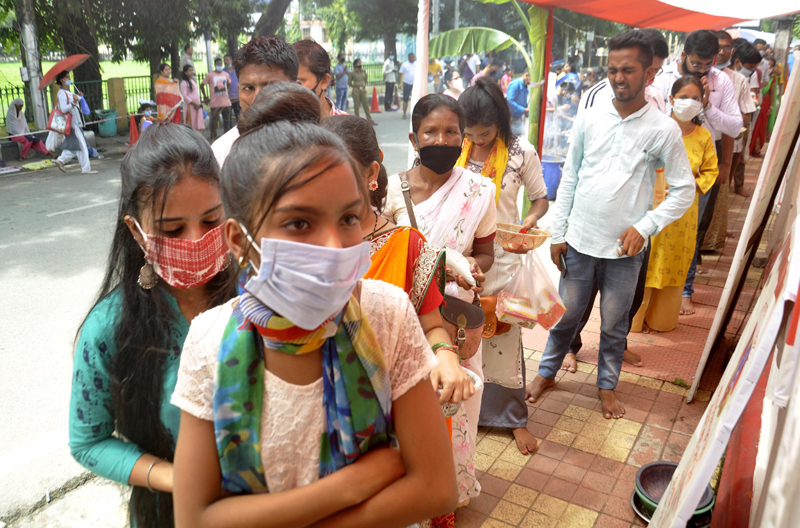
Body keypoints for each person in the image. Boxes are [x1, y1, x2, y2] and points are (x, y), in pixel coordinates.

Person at [170, 86, 457, 528]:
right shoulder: (210, 342)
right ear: (237, 240)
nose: (334, 246)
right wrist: (350, 486)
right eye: (299, 222)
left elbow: (436, 486)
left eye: (348, 218)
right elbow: (197, 518)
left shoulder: (386, 314)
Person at [69, 123, 235, 527]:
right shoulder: (109, 330)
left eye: (211, 221)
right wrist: (180, 479)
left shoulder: (258, 296)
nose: (195, 240)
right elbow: (89, 442)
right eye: (173, 230)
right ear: (137, 232)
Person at [526, 30, 695, 419]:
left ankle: (606, 387)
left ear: (649, 75)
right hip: (580, 241)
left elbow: (683, 191)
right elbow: (570, 177)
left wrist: (646, 226)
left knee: (615, 324)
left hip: (625, 251)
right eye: (613, 69)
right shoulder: (589, 117)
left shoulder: (663, 130)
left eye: (629, 70)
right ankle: (547, 372)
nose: (619, 78)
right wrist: (560, 231)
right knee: (565, 315)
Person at [322, 113, 477, 526]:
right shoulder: (304, 250)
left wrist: (445, 355)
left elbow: (431, 324)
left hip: (392, 414)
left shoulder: (406, 245)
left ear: (370, 173)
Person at [383, 94, 497, 491]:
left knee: (459, 399)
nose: (442, 139)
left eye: (452, 132)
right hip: (406, 314)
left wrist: (477, 265)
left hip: (455, 316)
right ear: (414, 140)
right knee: (410, 403)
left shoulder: (480, 191)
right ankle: (414, 487)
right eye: (431, 131)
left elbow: (484, 249)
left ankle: (452, 487)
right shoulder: (391, 192)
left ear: (463, 139)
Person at [562, 28, 671, 373]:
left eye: (652, 69)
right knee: (579, 295)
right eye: (617, 69)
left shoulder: (657, 104)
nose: (647, 75)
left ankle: (616, 346)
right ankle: (570, 346)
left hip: (637, 217)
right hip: (592, 222)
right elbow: (579, 168)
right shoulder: (597, 99)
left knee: (625, 298)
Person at [458, 78, 549, 455]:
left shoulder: (520, 152)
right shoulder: (453, 148)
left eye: (486, 134)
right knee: (463, 337)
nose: (478, 142)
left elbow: (541, 200)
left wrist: (529, 222)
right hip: (461, 262)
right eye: (470, 135)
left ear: (501, 123)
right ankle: (467, 410)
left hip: (504, 261)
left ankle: (512, 417)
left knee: (505, 337)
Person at [651, 30, 742, 317]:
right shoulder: (663, 78)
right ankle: (648, 286)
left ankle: (685, 291)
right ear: (684, 55)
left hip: (699, 158)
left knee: (691, 235)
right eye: (697, 63)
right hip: (659, 165)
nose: (703, 69)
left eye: (707, 64)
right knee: (653, 231)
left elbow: (733, 126)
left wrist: (706, 106)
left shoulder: (721, 80)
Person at [632, 77, 718, 334]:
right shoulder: (656, 128)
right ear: (671, 99)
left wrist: (691, 184)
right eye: (683, 97)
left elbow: (711, 171)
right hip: (652, 205)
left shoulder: (704, 136)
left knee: (674, 260)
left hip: (685, 212)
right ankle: (634, 319)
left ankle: (661, 318)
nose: (689, 103)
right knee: (646, 256)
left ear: (702, 101)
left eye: (695, 98)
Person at [700, 31, 757, 252]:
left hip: (722, 143)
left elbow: (738, 122)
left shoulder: (733, 79)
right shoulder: (687, 75)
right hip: (689, 147)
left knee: (714, 200)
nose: (722, 52)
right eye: (719, 47)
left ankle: (705, 244)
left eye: (726, 48)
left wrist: (728, 160)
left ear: (732, 51)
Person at [211, 35, 299, 167]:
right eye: (248, 88)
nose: (258, 98)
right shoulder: (220, 152)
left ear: (296, 88)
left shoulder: (317, 150)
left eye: (271, 86)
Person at [731, 42, 763, 196]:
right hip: (727, 122)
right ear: (737, 62)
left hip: (743, 118)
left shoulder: (749, 76)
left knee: (739, 155)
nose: (751, 70)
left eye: (753, 67)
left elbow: (754, 92)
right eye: (749, 66)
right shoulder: (725, 76)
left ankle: (738, 185)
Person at [52, 71, 96, 174]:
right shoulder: (62, 93)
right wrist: (74, 102)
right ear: (62, 80)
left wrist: (78, 96)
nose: (69, 78)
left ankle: (61, 160)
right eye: (67, 77)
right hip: (72, 124)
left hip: (75, 123)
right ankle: (84, 168)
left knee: (78, 146)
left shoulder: (68, 92)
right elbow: (64, 109)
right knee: (82, 146)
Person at [292, 38, 344, 119]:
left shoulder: (349, 127)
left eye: (300, 81)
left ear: (324, 81)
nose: (291, 88)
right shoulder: (280, 127)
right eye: (288, 81)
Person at [201, 57, 233, 142]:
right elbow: (202, 85)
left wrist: (226, 90)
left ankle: (227, 137)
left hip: (226, 102)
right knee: (214, 121)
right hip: (215, 103)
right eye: (218, 64)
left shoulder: (225, 74)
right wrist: (205, 96)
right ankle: (213, 137)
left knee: (227, 121)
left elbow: (229, 83)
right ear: (215, 64)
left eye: (220, 63)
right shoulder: (211, 75)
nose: (220, 65)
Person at [349, 58, 376, 125]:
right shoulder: (352, 73)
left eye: (360, 63)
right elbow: (349, 82)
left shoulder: (363, 72)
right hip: (356, 90)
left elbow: (365, 81)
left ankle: (369, 119)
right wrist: (355, 86)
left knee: (366, 105)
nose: (360, 64)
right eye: (358, 63)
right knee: (356, 106)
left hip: (363, 90)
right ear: (355, 64)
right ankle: (357, 121)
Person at [180, 65, 204, 133]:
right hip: (190, 106)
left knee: (198, 121)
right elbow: (184, 96)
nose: (192, 72)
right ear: (185, 72)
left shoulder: (192, 81)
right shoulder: (184, 82)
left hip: (197, 105)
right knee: (191, 122)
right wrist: (194, 103)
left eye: (192, 70)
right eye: (189, 70)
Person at [506, 69, 530, 136]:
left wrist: (527, 113)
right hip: (511, 117)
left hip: (518, 117)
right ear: (526, 75)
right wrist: (523, 110)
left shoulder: (525, 87)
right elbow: (509, 101)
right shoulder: (516, 84)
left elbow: (524, 102)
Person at [223, 54, 240, 128]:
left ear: (231, 61)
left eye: (227, 60)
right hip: (227, 99)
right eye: (224, 60)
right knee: (228, 118)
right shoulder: (223, 71)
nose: (225, 61)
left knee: (239, 116)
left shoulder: (236, 70)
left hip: (237, 97)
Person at [399, 53, 417, 119]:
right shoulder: (404, 65)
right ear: (408, 57)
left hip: (415, 84)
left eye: (414, 57)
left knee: (416, 99)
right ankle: (404, 113)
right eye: (411, 57)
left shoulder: (417, 64)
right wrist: (399, 84)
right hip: (407, 83)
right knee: (405, 99)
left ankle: (414, 114)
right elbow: (400, 74)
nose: (413, 58)